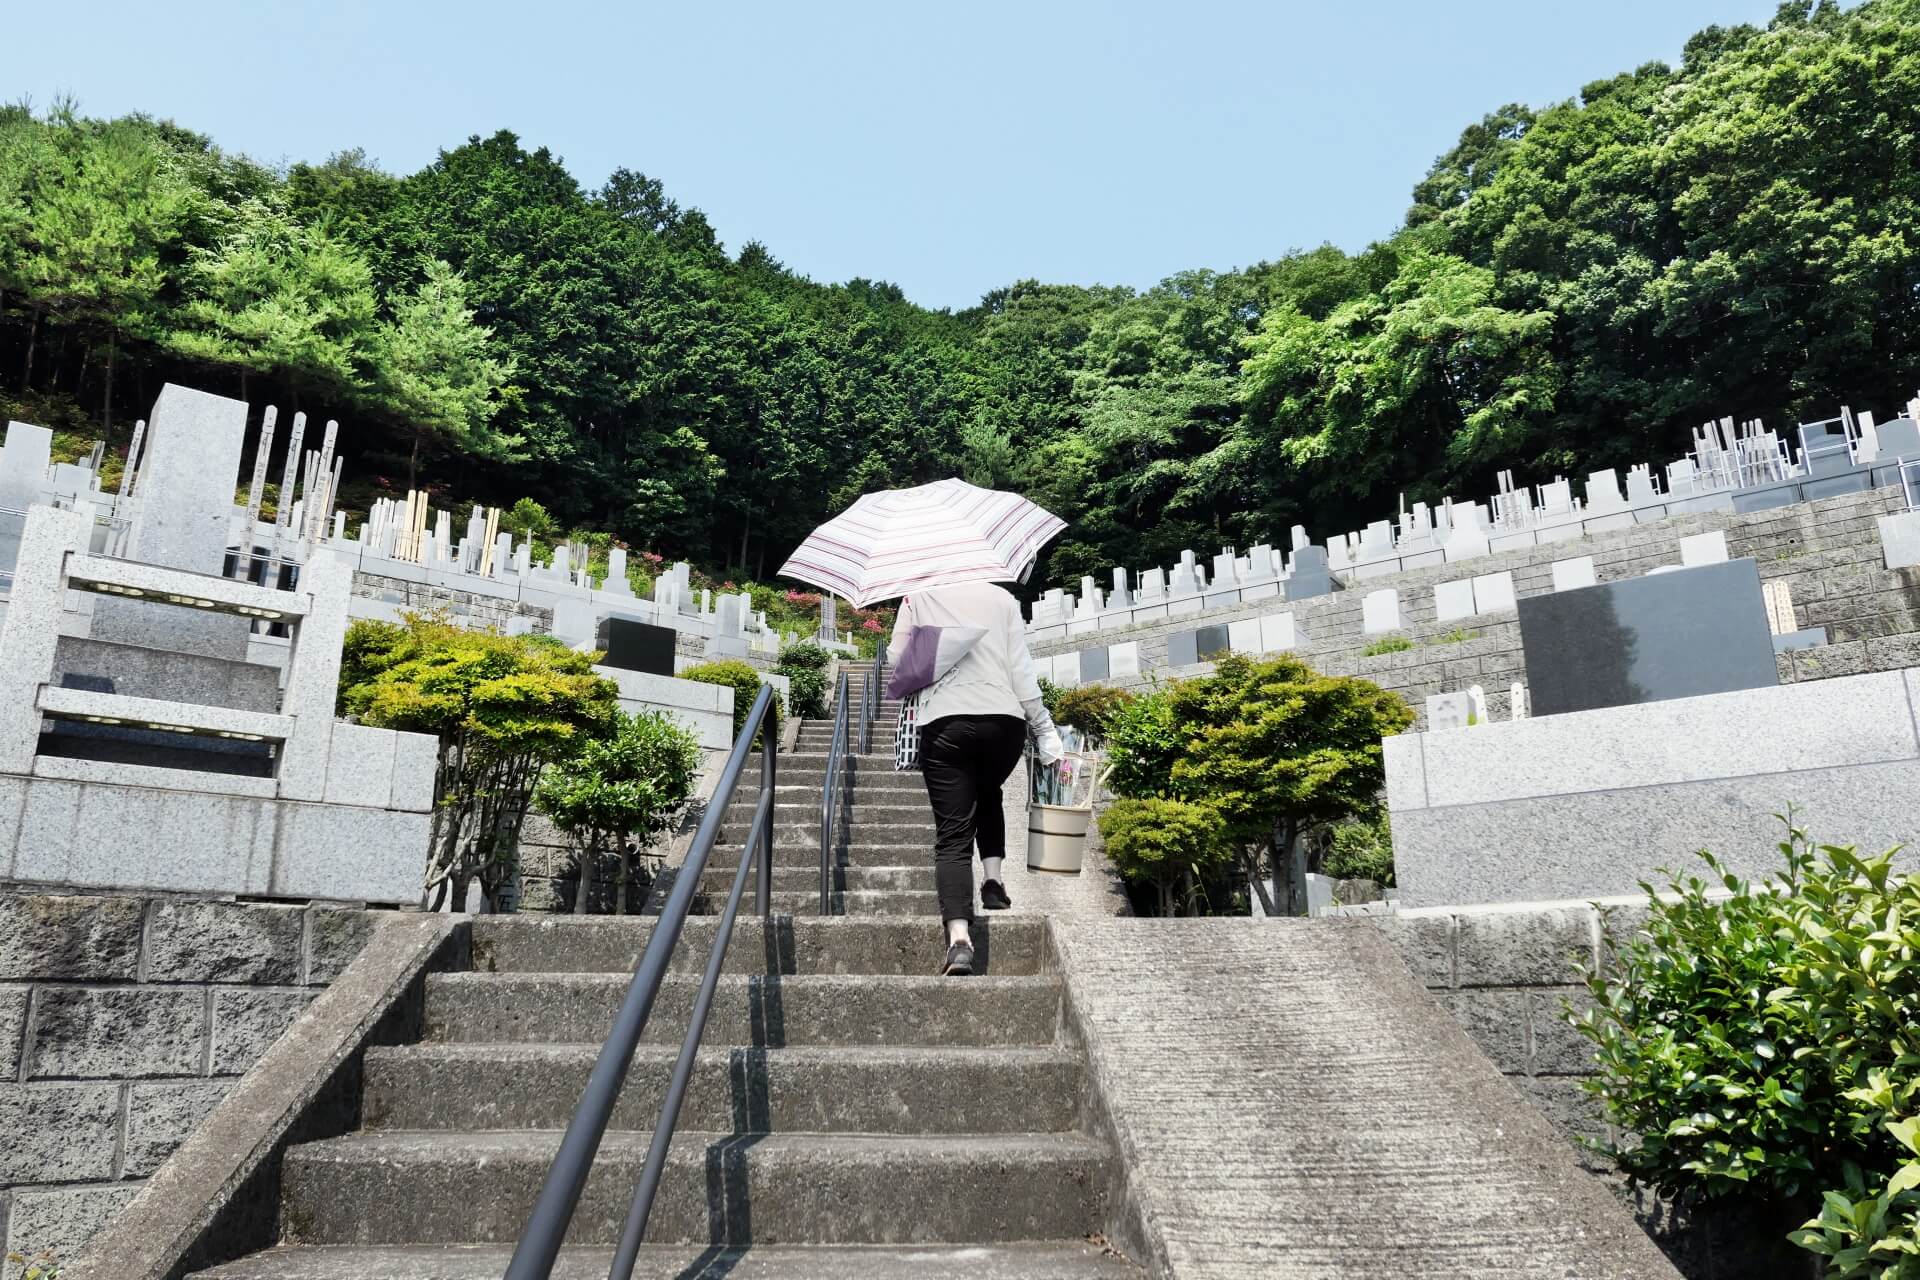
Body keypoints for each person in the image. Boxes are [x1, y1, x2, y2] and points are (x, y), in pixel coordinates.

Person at [887, 580, 1065, 976]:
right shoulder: (1003, 598)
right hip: (1004, 722)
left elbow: (897, 658)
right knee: (987, 791)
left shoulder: (917, 597)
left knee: (953, 834)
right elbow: (1021, 670)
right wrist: (1045, 730)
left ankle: (960, 941)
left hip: (946, 722)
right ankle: (994, 881)